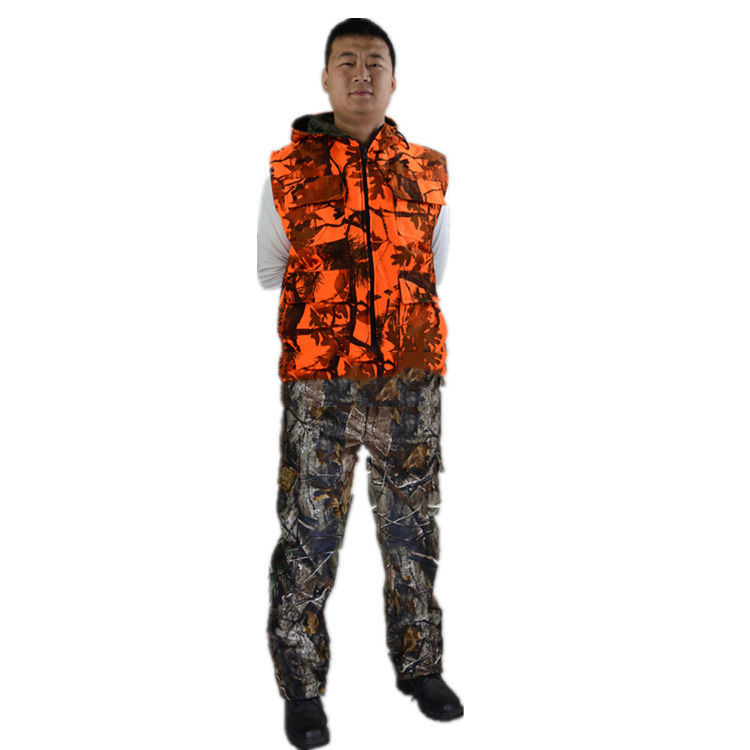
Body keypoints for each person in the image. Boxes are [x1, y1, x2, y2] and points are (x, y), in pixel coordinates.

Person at [257, 18, 464, 749]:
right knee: (310, 533)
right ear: (325, 78)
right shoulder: (288, 172)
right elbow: (271, 269)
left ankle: (421, 667)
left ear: (394, 79)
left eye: (375, 62)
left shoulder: (429, 171)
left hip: (410, 382)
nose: (361, 75)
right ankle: (302, 687)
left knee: (412, 529)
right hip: (322, 385)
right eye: (346, 62)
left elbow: (434, 267)